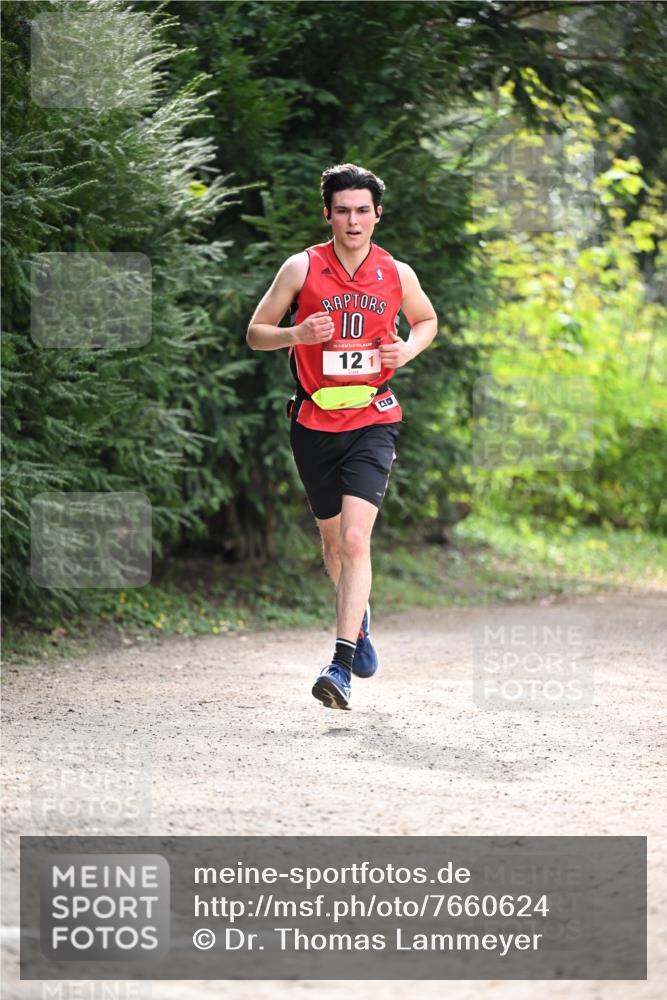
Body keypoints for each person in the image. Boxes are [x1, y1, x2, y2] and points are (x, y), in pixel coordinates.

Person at [246, 163, 437, 710]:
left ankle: (341, 663)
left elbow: (426, 321)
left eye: (362, 210)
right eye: (342, 210)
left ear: (378, 214)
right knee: (333, 546)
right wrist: (297, 333)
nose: (352, 220)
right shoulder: (301, 268)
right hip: (312, 424)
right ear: (327, 213)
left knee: (356, 541)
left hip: (374, 419)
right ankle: (361, 620)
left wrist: (407, 349)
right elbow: (256, 334)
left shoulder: (396, 273)